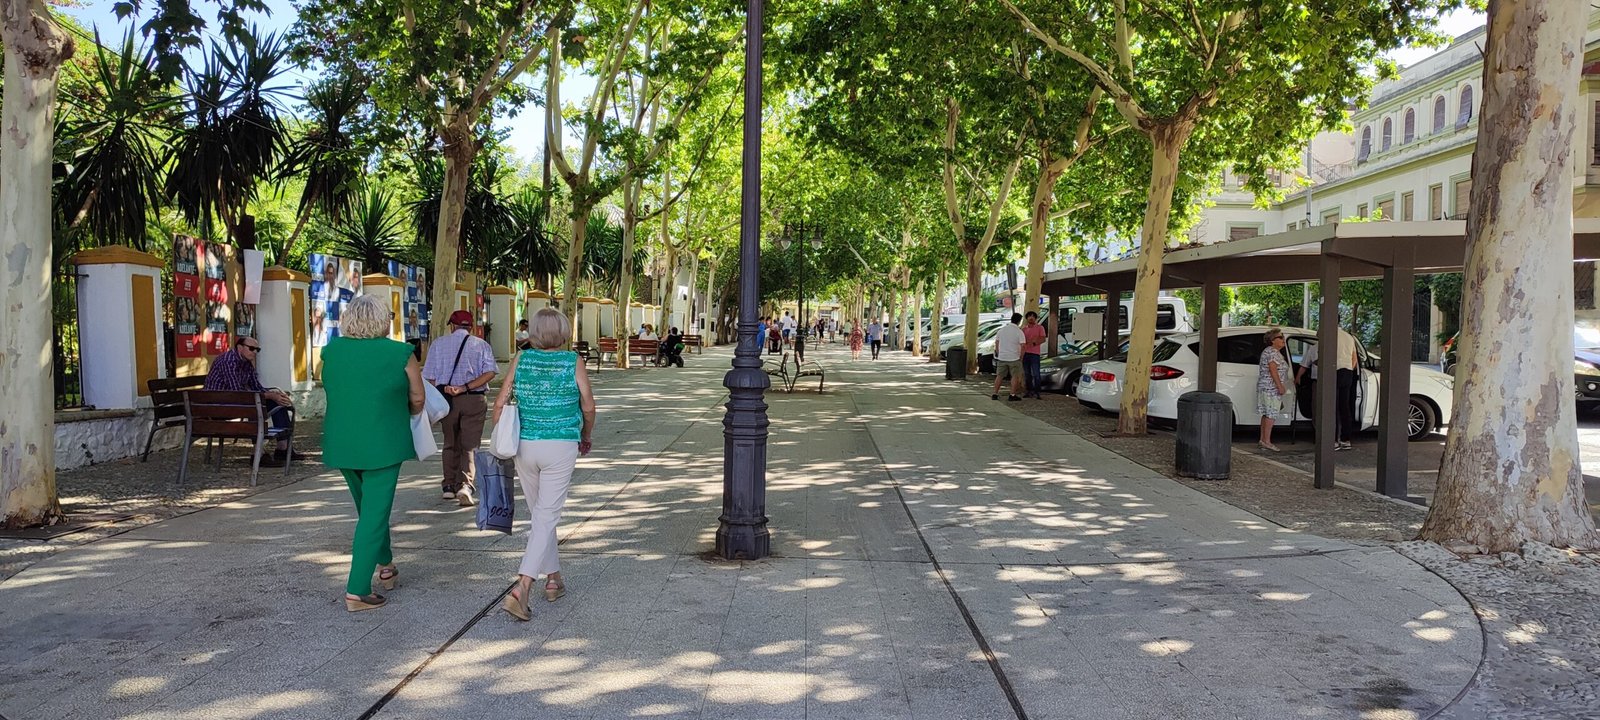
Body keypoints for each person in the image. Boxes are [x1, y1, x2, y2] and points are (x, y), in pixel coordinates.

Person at [320, 295, 425, 612]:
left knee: (369, 510)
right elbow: (418, 398)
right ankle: (357, 590)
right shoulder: (401, 353)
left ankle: (386, 564)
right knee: (373, 515)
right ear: (383, 320)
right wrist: (407, 412)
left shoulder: (332, 351)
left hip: (343, 441)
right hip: (383, 440)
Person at [493, 308, 597, 621]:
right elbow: (588, 406)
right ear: (563, 332)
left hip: (525, 445)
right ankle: (523, 585)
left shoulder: (521, 359)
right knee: (546, 514)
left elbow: (500, 402)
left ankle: (554, 578)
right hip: (561, 444)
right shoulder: (572, 361)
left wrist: (499, 438)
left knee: (541, 514)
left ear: (534, 332)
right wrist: (586, 435)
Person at [423, 309, 498, 507]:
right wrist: (465, 387)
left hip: (446, 400)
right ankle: (465, 485)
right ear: (470, 327)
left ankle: (448, 486)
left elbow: (429, 376)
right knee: (470, 445)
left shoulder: (438, 344)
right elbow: (490, 372)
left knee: (450, 442)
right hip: (473, 399)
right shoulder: (481, 345)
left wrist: (445, 388)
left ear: (452, 326)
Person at [204, 336, 298, 466]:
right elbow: (238, 392)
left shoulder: (246, 362)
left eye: (257, 350)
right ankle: (258, 454)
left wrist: (275, 395)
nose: (254, 352)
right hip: (216, 407)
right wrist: (268, 395)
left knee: (277, 402)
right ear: (240, 347)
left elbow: (256, 387)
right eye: (252, 348)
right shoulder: (228, 361)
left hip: (231, 402)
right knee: (254, 405)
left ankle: (283, 447)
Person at [1296, 326, 1360, 451]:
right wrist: (1348, 370)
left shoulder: (1329, 336)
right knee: (1344, 406)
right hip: (1347, 373)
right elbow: (1354, 359)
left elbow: (1325, 358)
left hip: (1333, 371)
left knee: (1331, 407)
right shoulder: (1349, 337)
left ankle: (1333, 440)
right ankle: (1346, 439)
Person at [1257, 328, 1294, 452]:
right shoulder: (1273, 352)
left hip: (1266, 387)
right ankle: (1267, 441)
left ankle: (1263, 440)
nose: (1283, 339)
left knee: (1266, 413)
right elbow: (1273, 370)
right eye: (1280, 337)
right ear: (1272, 340)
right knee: (1271, 414)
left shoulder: (1270, 351)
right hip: (1271, 388)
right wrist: (1280, 386)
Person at [991, 313, 1026, 401]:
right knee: (1015, 376)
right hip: (1014, 357)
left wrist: (999, 353)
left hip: (1002, 357)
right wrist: (1021, 357)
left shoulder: (1001, 330)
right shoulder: (1019, 332)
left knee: (999, 376)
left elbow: (997, 343)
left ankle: (995, 393)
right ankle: (1012, 394)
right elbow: (1023, 346)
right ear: (1019, 321)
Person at [1021, 311, 1047, 399]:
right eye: (1029, 316)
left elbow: (1043, 339)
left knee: (1036, 374)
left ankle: (1037, 392)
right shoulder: (1024, 329)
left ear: (1035, 318)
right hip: (1025, 353)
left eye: (1033, 316)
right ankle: (1029, 391)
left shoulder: (1040, 327)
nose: (1031, 318)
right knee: (1027, 374)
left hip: (1035, 354)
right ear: (1027, 318)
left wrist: (1035, 343)